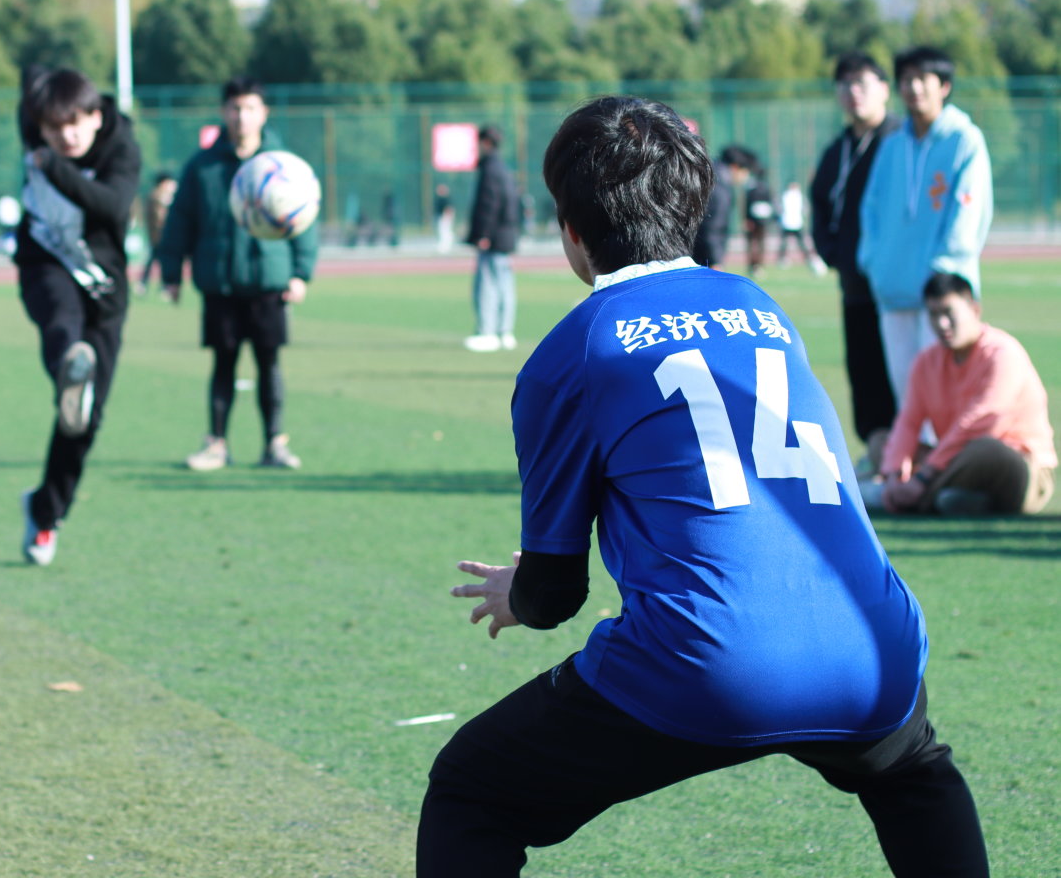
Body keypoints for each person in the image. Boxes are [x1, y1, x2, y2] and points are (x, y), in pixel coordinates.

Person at [418, 95, 987, 877]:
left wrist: (521, 594)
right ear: (693, 207)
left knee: (471, 791)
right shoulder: (760, 305)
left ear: (572, 231)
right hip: (875, 645)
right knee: (915, 773)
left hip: (709, 662)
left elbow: (555, 595)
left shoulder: (571, 351)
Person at [12, 67, 142, 565]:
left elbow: (113, 206)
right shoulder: (35, 124)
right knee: (60, 322)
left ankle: (45, 512)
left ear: (95, 116)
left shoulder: (122, 147)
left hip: (105, 286)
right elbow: (31, 88)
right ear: (38, 124)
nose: (65, 136)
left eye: (74, 125)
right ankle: (70, 362)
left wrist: (51, 165)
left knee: (84, 421)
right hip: (45, 261)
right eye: (52, 129)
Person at [156, 77, 318, 471]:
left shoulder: (284, 166)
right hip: (220, 280)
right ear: (223, 111)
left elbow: (305, 219)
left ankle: (274, 444)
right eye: (234, 108)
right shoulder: (203, 166)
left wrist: (300, 273)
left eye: (249, 108)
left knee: (269, 364)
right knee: (223, 364)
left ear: (264, 113)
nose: (241, 116)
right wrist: (172, 273)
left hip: (269, 281)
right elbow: (180, 219)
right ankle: (216, 444)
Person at [858, 46, 993, 416]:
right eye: (906, 80)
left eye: (922, 79)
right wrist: (874, 263)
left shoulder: (964, 140)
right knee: (909, 399)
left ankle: (945, 457)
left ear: (944, 86)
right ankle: (913, 455)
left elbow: (968, 213)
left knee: (946, 398)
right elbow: (871, 208)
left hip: (942, 294)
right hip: (893, 290)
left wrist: (944, 273)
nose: (913, 88)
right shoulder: (892, 145)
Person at [864, 272, 1055, 517]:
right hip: (951, 458)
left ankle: (913, 499)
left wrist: (923, 476)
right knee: (881, 441)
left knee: (988, 450)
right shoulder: (927, 361)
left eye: (948, 313)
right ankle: (944, 497)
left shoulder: (1003, 354)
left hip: (1019, 468)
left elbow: (979, 424)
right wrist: (893, 472)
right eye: (934, 314)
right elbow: (909, 422)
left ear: (974, 310)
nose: (942, 324)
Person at [811, 52, 901, 461]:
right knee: (864, 369)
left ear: (884, 89)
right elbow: (819, 201)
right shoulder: (838, 148)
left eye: (862, 83)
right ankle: (878, 448)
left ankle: (907, 449)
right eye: (845, 84)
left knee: (901, 368)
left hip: (897, 284)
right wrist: (832, 252)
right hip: (854, 282)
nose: (853, 92)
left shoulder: (900, 142)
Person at [463, 125, 520, 352]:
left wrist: (483, 234)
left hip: (494, 237)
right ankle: (505, 332)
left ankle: (487, 332)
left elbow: (489, 204)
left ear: (485, 143)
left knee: (487, 285)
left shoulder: (490, 169)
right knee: (504, 285)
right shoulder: (503, 169)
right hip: (505, 236)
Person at [691, 145, 745, 268]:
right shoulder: (720, 187)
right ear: (736, 167)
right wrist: (715, 260)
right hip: (702, 255)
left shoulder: (710, 174)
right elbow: (713, 227)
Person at [133, 171, 177, 294]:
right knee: (161, 261)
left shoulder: (158, 196)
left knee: (155, 260)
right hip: (160, 236)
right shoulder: (158, 197)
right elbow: (160, 219)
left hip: (158, 236)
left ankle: (147, 284)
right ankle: (162, 285)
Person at [735, 147, 775, 278]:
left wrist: (746, 219)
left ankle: (753, 266)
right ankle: (758, 265)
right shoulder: (766, 188)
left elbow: (747, 204)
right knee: (760, 243)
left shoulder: (751, 187)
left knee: (752, 243)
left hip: (753, 219)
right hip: (763, 219)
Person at [776, 179, 819, 271]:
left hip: (796, 222)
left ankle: (808, 259)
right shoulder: (786, 196)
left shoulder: (799, 197)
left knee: (801, 243)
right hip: (788, 222)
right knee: (784, 243)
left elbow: (805, 209)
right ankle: (782, 259)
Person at [433, 183, 456, 253]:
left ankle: (446, 246)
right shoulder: (441, 199)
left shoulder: (446, 199)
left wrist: (446, 217)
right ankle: (443, 245)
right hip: (441, 217)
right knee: (442, 231)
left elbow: (449, 209)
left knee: (445, 231)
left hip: (445, 217)